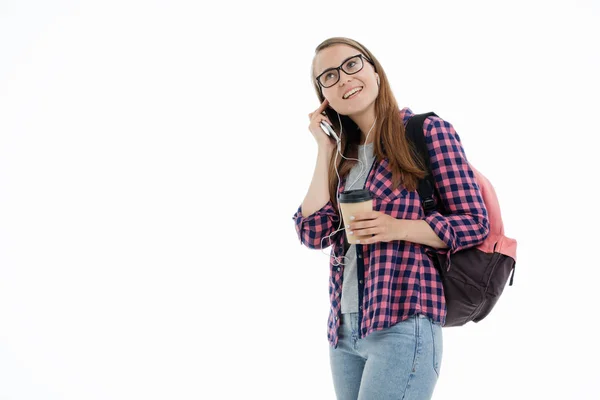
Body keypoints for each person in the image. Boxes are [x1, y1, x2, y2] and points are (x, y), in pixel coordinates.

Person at [292, 37, 490, 400]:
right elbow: (312, 232)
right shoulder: (343, 158)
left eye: (352, 65)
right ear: (323, 96)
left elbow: (475, 222)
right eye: (329, 76)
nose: (344, 79)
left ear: (374, 70)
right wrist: (324, 151)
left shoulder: (425, 132)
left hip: (403, 320)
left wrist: (396, 228)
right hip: (344, 332)